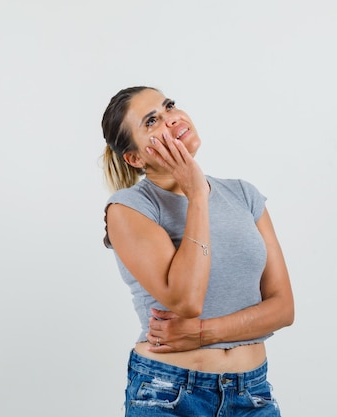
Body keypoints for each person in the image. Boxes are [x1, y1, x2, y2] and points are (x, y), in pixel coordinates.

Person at [100, 86, 294, 416]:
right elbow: (188, 300)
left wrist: (205, 333)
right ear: (135, 158)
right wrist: (197, 195)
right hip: (169, 394)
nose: (172, 118)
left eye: (169, 106)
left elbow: (283, 308)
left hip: (252, 393)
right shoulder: (129, 209)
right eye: (152, 121)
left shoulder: (244, 195)